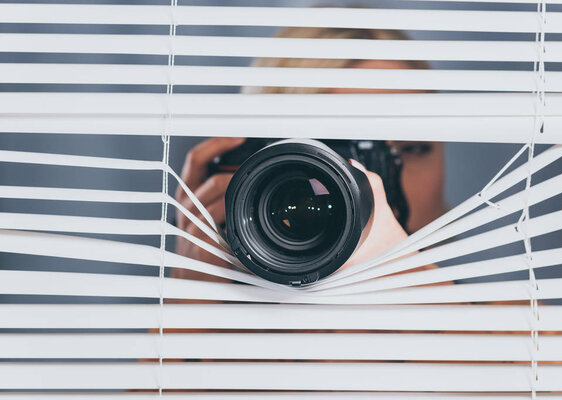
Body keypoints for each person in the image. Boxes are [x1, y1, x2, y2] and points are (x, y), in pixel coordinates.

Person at [174, 27, 446, 281]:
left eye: (413, 149)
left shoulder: (481, 318)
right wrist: (194, 293)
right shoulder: (211, 323)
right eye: (334, 154)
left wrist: (426, 293)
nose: (374, 180)